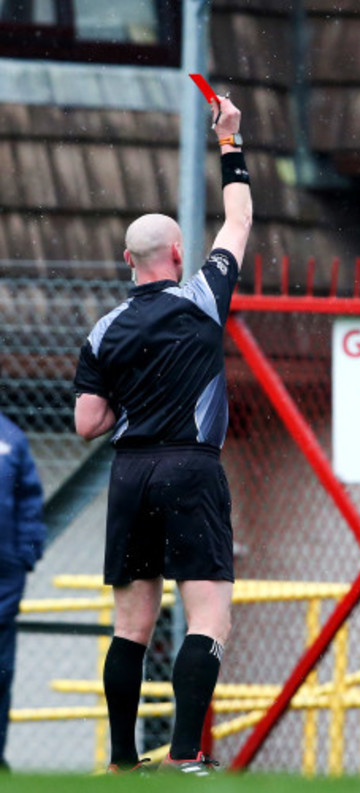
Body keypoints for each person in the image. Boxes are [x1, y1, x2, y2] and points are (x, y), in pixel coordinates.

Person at [73, 93, 252, 775]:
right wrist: (228, 141)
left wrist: (131, 403)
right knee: (209, 616)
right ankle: (183, 753)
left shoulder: (103, 329)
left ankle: (122, 760)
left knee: (131, 626)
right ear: (178, 252)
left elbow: (88, 422)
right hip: (190, 466)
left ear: (128, 258)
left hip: (130, 471)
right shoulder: (205, 294)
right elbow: (238, 217)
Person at [0, 412, 46, 772]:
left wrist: (24, 558)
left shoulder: (10, 439)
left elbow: (29, 503)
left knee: (0, 672)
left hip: (3, 582)